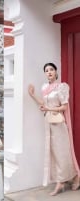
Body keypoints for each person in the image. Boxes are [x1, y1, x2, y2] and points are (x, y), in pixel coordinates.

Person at [28, 62, 80, 196]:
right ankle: (74, 176)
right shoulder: (45, 87)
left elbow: (64, 107)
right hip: (49, 124)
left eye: (51, 69)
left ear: (56, 72)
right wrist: (32, 95)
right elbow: (44, 104)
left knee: (62, 153)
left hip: (59, 124)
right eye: (46, 70)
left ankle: (61, 182)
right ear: (45, 74)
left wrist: (48, 109)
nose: (49, 72)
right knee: (54, 154)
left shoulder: (61, 87)